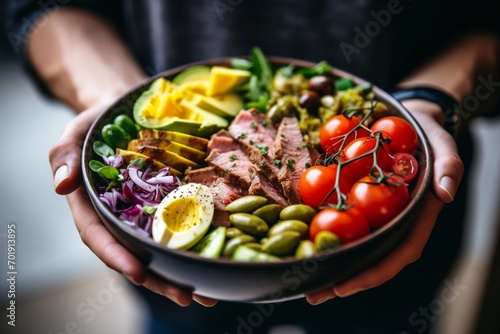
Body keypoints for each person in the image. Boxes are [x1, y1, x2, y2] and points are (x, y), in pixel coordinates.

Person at [6, 1, 500, 333]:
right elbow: (38, 7)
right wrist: (115, 99)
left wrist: (428, 102)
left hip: (386, 239)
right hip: (183, 275)